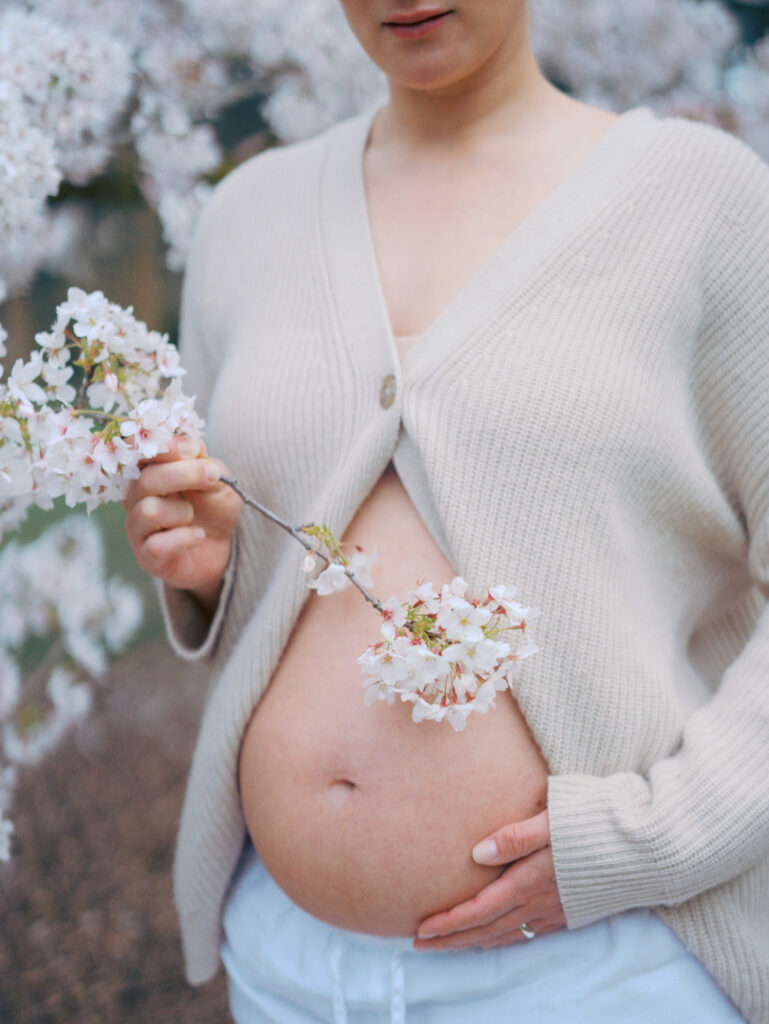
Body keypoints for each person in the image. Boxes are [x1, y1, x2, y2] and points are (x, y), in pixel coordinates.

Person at [123, 1, 769, 1021]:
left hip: (602, 961)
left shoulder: (702, 201)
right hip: (287, 961)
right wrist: (210, 567)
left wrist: (650, 839)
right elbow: (267, 558)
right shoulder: (246, 216)